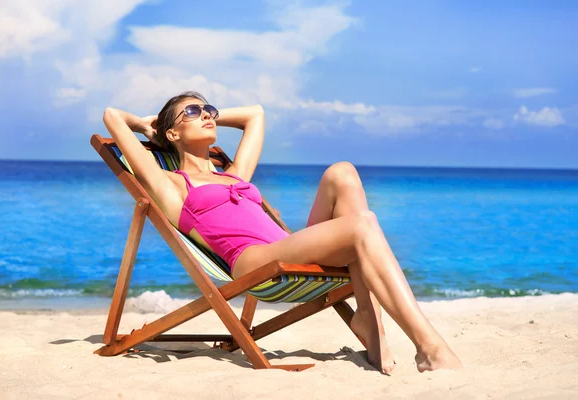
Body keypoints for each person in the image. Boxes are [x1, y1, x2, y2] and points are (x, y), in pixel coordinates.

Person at [102, 91, 462, 374]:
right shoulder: (172, 186)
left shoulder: (234, 175)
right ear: (173, 132)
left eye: (208, 109)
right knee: (362, 223)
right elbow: (112, 118)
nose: (207, 115)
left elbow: (255, 114)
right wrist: (148, 127)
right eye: (193, 113)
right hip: (253, 264)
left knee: (343, 172)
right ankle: (429, 348)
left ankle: (367, 316)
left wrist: (206, 115)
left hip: (287, 248)